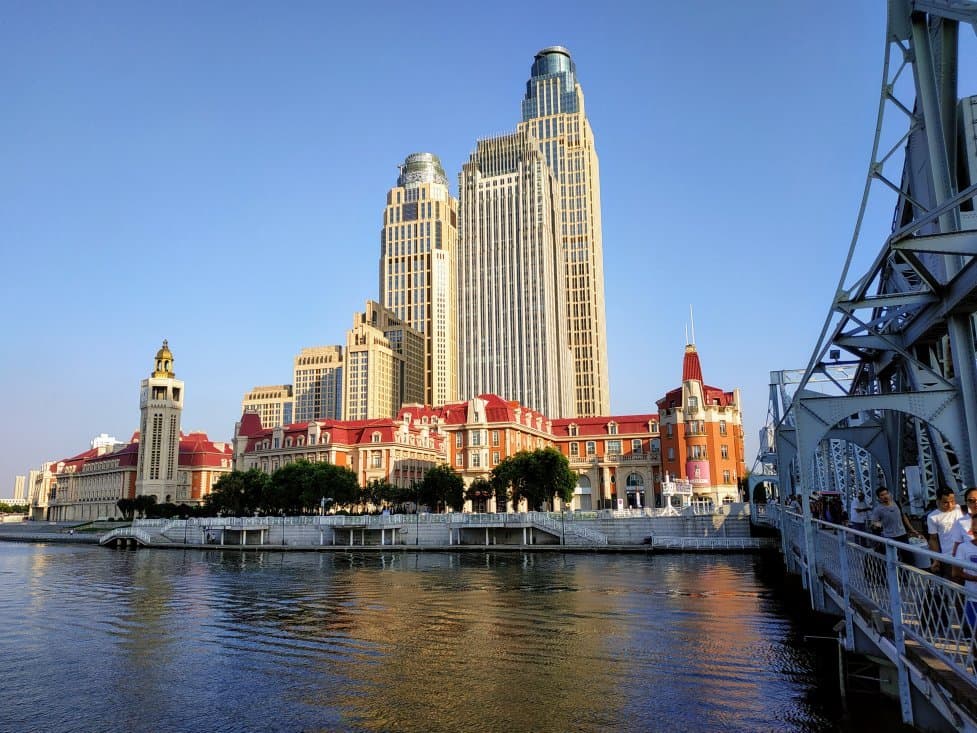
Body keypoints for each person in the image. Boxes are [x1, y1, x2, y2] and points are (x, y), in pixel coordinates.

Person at [869, 486, 923, 562]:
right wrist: (876, 525)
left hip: (902, 534)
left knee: (908, 556)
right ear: (878, 497)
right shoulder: (878, 509)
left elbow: (903, 517)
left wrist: (912, 529)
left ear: (889, 494)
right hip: (889, 537)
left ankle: (907, 573)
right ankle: (896, 573)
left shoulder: (896, 503)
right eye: (882, 495)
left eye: (886, 494)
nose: (885, 496)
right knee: (893, 559)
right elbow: (873, 522)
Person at [927, 488, 965, 577]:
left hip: (965, 554)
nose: (950, 505)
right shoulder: (932, 517)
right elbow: (933, 540)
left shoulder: (958, 508)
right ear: (938, 501)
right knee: (954, 583)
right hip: (949, 556)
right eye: (946, 502)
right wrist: (936, 559)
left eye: (952, 501)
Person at [952, 513, 977, 631]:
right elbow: (956, 572)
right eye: (974, 526)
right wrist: (975, 578)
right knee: (975, 635)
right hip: (973, 598)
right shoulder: (963, 547)